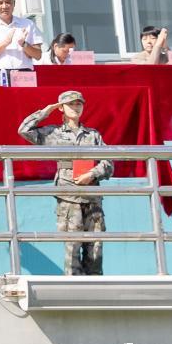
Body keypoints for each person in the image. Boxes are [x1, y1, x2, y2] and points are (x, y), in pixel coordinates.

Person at [18, 91, 114, 277]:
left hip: (92, 196)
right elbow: (24, 130)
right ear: (61, 108)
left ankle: (95, 288)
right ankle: (73, 288)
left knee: (95, 249)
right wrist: (46, 111)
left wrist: (92, 174)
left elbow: (109, 162)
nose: (76, 108)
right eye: (71, 104)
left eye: (79, 104)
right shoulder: (53, 133)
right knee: (72, 249)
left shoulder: (93, 135)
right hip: (69, 196)